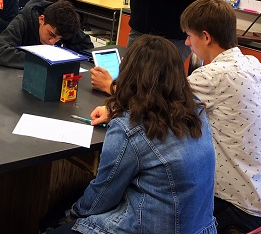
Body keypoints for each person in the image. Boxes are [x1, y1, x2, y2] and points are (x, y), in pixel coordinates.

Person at [49, 35, 217, 234]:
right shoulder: (195, 110)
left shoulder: (129, 129)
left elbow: (104, 194)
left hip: (149, 226)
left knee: (55, 220)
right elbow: (155, 107)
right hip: (200, 227)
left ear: (128, 73)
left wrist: (72, 215)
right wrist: (116, 110)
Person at [181, 0, 261, 233]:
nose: (186, 42)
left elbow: (156, 103)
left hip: (235, 209)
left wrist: (112, 88)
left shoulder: (211, 76)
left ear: (206, 37)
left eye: (189, 36)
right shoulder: (254, 64)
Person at [0, 0, 93, 69]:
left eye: (59, 39)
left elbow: (86, 46)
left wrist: (62, 54)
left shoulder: (64, 24)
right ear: (41, 20)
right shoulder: (23, 21)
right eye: (51, 34)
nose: (52, 42)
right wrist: (41, 61)